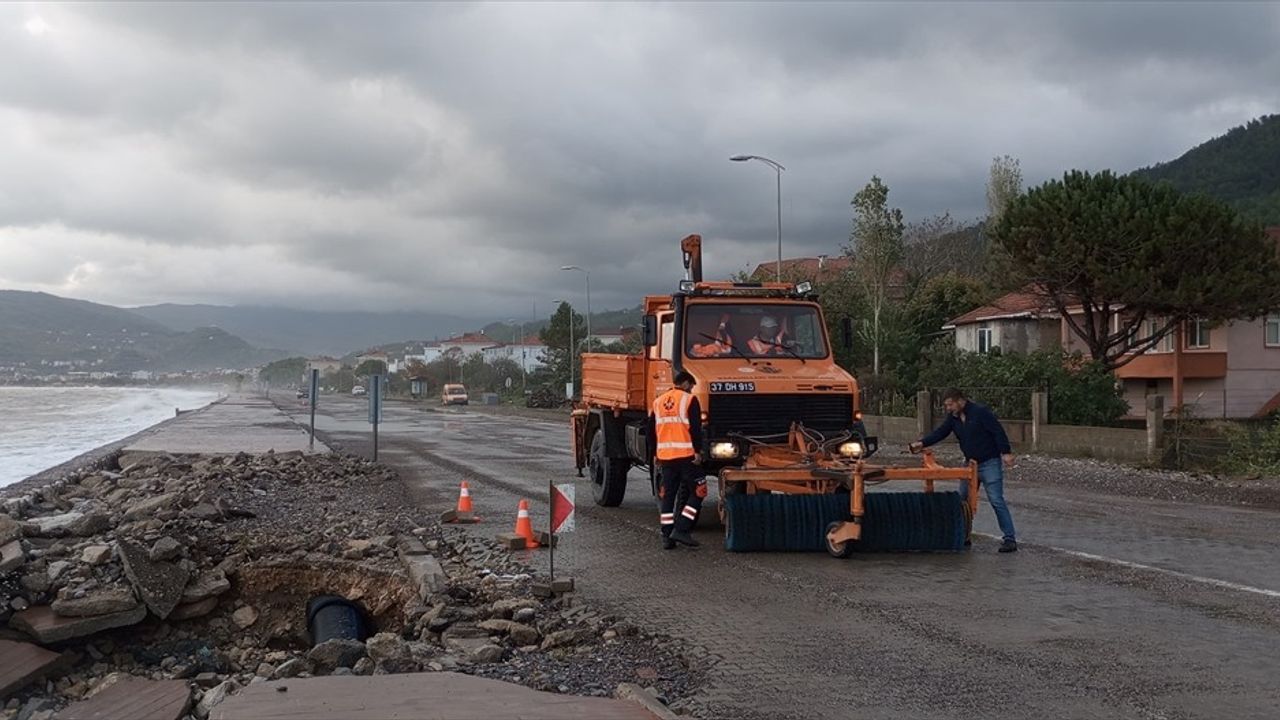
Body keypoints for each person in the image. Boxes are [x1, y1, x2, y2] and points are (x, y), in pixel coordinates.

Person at [909, 388, 1018, 553]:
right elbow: (941, 432)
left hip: (989, 463)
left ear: (960, 401)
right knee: (963, 501)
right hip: (970, 464)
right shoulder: (953, 418)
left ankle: (1009, 539)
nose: (948, 408)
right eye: (946, 406)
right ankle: (963, 535)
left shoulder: (981, 413)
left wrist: (1006, 452)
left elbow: (997, 431)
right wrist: (922, 443)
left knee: (996, 500)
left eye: (950, 404)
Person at [649, 370, 706, 549]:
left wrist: (655, 453)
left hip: (666, 457)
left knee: (668, 496)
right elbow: (695, 428)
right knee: (699, 491)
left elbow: (651, 430)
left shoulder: (658, 402)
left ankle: (667, 536)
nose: (692, 389)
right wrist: (698, 451)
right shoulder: (689, 400)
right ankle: (682, 528)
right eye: (692, 386)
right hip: (686, 456)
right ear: (687, 384)